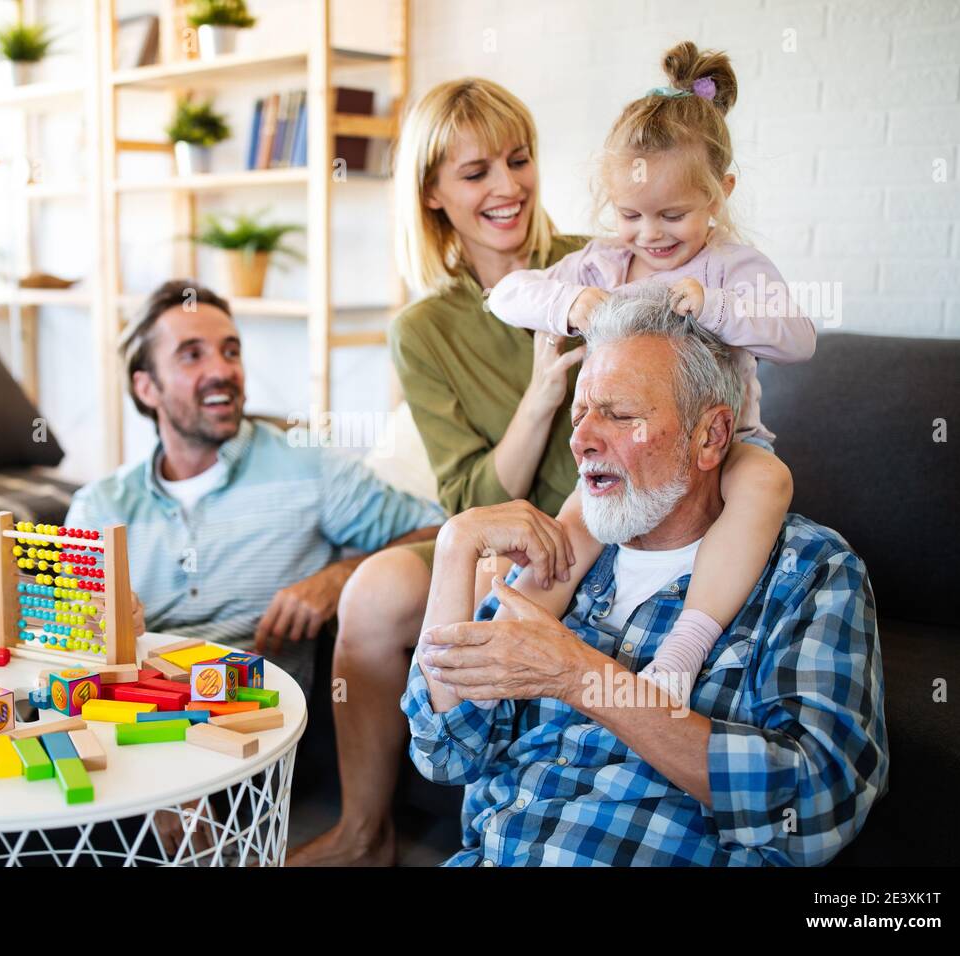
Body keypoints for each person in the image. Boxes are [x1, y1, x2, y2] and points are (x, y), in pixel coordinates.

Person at [406, 287, 887, 866]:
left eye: (620, 414)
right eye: (580, 413)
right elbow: (445, 753)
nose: (580, 440)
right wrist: (455, 547)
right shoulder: (566, 558)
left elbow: (819, 805)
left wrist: (580, 676)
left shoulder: (809, 572)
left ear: (710, 436)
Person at [291, 77, 587, 865]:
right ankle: (365, 833)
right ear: (431, 194)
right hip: (494, 523)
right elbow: (471, 501)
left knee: (496, 581)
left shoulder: (594, 270)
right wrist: (541, 394)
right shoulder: (425, 329)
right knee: (375, 590)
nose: (507, 187)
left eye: (517, 161)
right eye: (474, 172)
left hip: (590, 529)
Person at [488, 41, 816, 702]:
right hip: (629, 457)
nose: (650, 235)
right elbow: (505, 294)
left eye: (673, 216)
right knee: (576, 521)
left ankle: (683, 648)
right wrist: (569, 302)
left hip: (725, 449)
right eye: (630, 215)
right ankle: (507, 631)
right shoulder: (605, 263)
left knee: (768, 484)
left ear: (720, 193)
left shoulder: (730, 266)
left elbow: (799, 339)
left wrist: (718, 308)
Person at [65, 279, 443, 688]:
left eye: (231, 351)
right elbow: (62, 627)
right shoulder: (98, 508)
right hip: (125, 717)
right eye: (192, 355)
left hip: (257, 723)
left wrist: (341, 578)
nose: (223, 370)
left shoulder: (312, 467)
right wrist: (94, 620)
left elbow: (438, 532)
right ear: (146, 387)